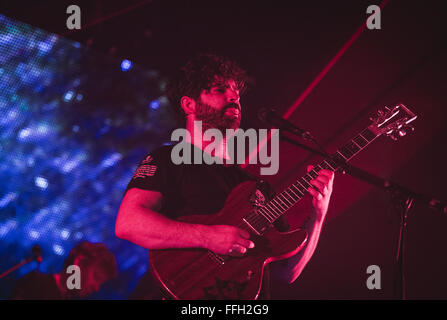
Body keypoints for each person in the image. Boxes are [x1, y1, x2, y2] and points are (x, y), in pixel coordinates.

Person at [115, 53, 334, 299]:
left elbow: (287, 272)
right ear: (189, 104)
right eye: (220, 89)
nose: (233, 97)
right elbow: (128, 224)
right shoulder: (167, 160)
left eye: (236, 94)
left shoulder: (255, 187)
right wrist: (208, 237)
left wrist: (318, 213)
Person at [12, 241, 118, 299]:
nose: (96, 287)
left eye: (100, 283)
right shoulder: (35, 282)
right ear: (79, 263)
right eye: (96, 277)